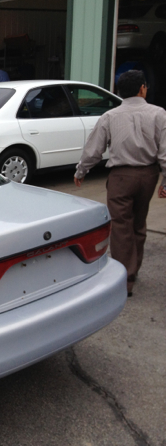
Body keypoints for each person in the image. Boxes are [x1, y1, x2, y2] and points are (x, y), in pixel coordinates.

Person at [74, 70, 166, 296]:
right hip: (148, 176)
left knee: (121, 227)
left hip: (121, 178)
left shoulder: (110, 116)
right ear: (142, 88)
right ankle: (133, 270)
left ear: (120, 92)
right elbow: (164, 151)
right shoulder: (159, 114)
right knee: (138, 224)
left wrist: (81, 170)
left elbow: (93, 149)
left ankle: (125, 279)